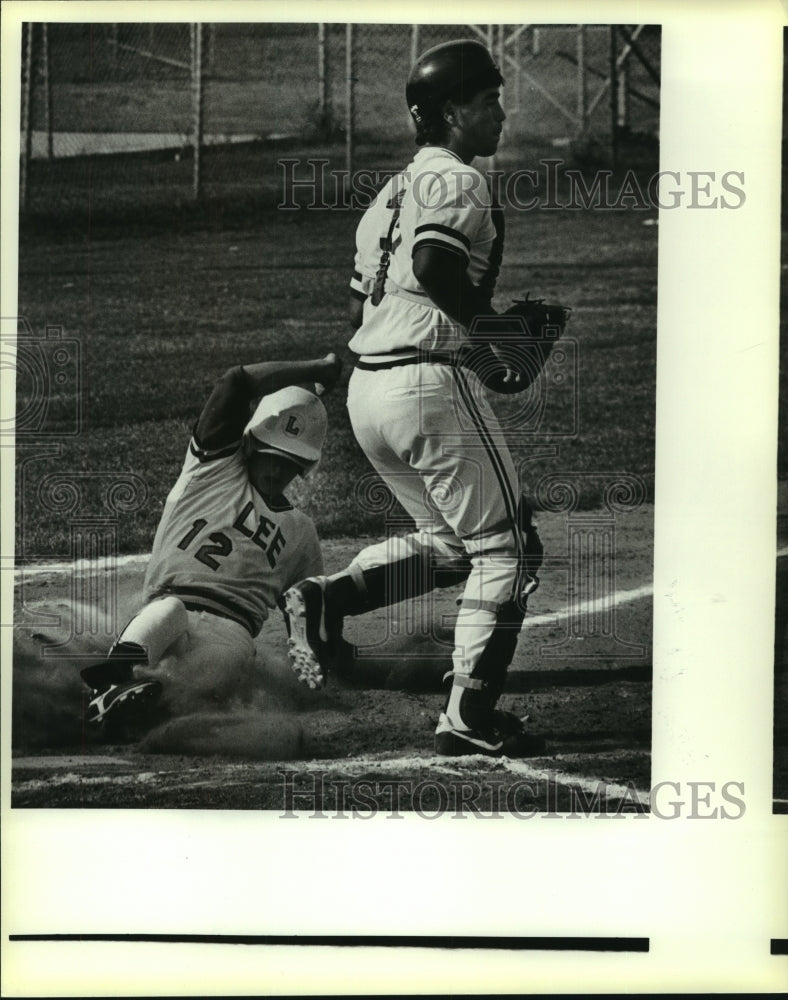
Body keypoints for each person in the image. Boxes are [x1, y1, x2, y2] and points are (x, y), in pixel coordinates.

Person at [283, 39, 546, 758]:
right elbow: (434, 265)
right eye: (487, 99)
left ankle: (325, 598)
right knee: (510, 550)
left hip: (371, 390)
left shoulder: (388, 195)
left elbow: (356, 313)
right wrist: (491, 338)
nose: (500, 110)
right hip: (426, 384)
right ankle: (469, 714)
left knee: (456, 546)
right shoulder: (456, 180)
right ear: (450, 112)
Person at [79, 352, 342, 731]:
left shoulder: (301, 532)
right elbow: (234, 382)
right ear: (251, 443)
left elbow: (309, 612)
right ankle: (110, 683)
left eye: (290, 462)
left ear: (304, 468)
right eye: (271, 455)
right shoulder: (212, 469)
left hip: (231, 632)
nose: (277, 468)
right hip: (170, 608)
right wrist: (316, 369)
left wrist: (324, 659)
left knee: (226, 662)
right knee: (168, 610)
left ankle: (141, 710)